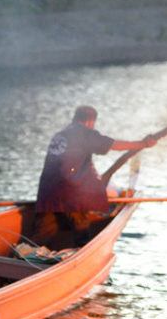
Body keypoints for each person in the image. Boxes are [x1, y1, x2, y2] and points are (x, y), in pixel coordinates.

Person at [34, 105, 156, 246]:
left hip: (47, 194)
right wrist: (143, 144)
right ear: (90, 121)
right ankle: (81, 254)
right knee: (82, 234)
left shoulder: (60, 135)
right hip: (70, 195)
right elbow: (113, 144)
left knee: (42, 235)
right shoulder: (84, 133)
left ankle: (28, 255)